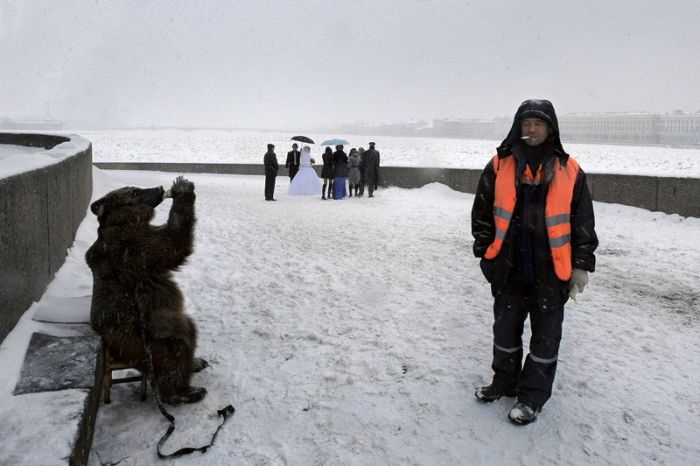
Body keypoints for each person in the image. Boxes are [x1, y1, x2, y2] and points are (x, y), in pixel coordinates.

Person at [471, 99, 598, 425]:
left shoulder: (570, 169)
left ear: (550, 128)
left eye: (538, 123)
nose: (531, 129)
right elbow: (482, 212)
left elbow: (582, 221)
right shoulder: (500, 164)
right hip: (508, 268)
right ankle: (504, 382)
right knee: (504, 332)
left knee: (545, 340)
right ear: (518, 126)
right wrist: (485, 254)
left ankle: (532, 397)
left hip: (551, 272)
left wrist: (581, 264)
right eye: (526, 123)